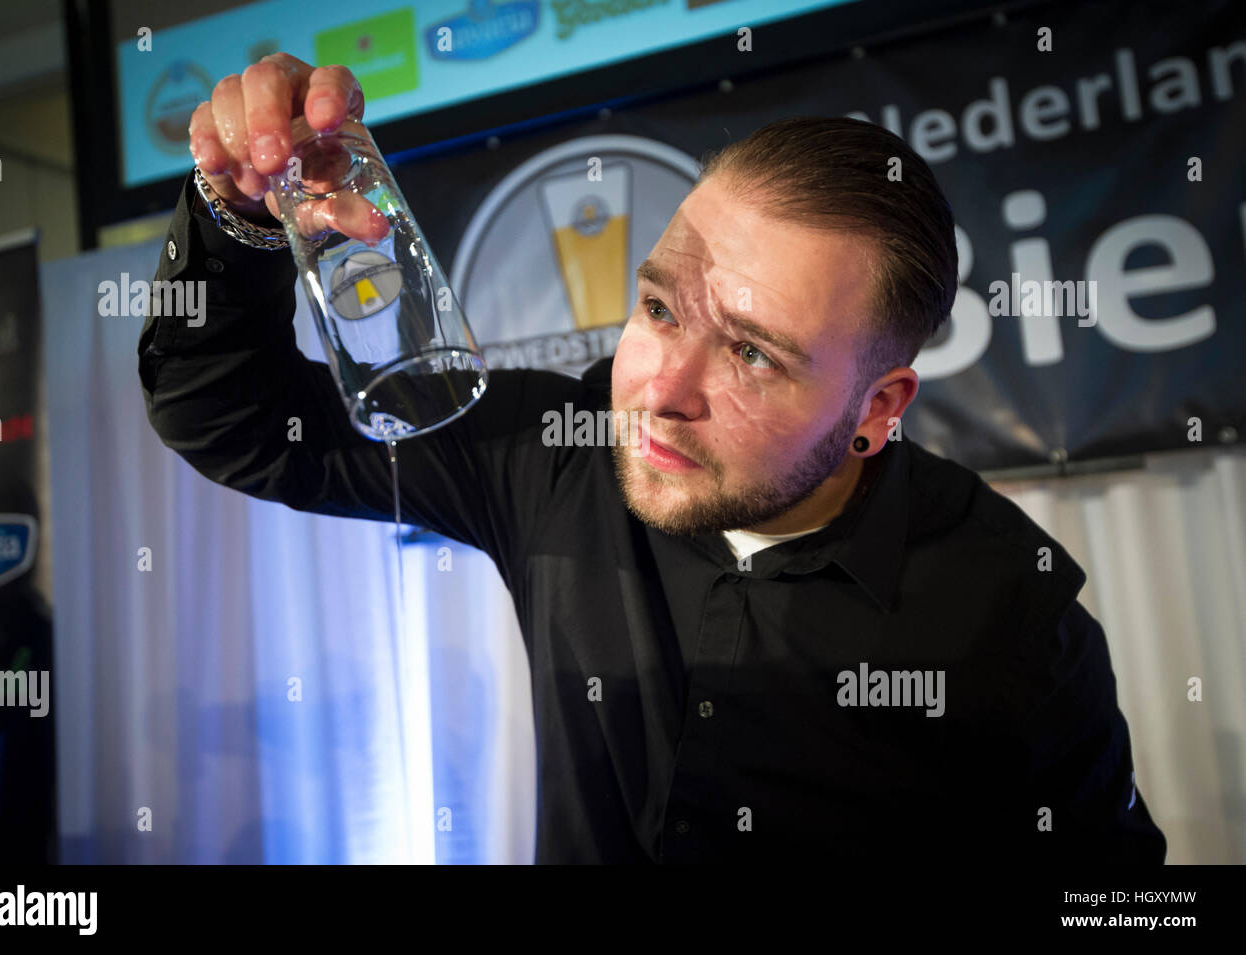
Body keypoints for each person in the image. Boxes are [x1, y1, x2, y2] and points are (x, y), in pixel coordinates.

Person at [139, 53, 1167, 864]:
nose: (657, 390)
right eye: (660, 306)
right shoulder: (556, 455)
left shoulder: (1010, 616)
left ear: (876, 407)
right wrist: (237, 216)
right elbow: (231, 419)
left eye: (754, 356)